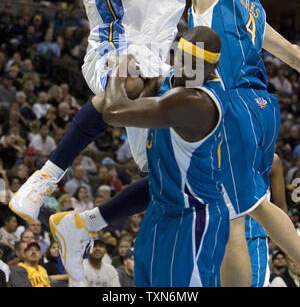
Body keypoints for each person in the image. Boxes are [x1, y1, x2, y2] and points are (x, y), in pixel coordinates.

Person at [71, 0, 300, 287]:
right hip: (263, 108)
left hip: (225, 107)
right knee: (258, 205)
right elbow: (295, 57)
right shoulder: (256, 10)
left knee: (230, 219)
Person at [9, 0, 188, 226]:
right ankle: (45, 177)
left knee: (175, 173)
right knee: (132, 78)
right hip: (112, 51)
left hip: (158, 62)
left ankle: (82, 227)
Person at [49, 27, 231, 287]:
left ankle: (81, 219)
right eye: (181, 61)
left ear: (212, 67)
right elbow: (147, 86)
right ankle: (82, 222)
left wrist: (120, 68)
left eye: (194, 66)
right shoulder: (175, 79)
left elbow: (113, 111)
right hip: (161, 208)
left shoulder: (196, 101)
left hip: (195, 218)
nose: (184, 70)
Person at [246, 154, 288, 287]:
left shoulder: (272, 160)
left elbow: (281, 209)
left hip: (254, 238)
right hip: (217, 235)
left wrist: (280, 243)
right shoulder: (213, 151)